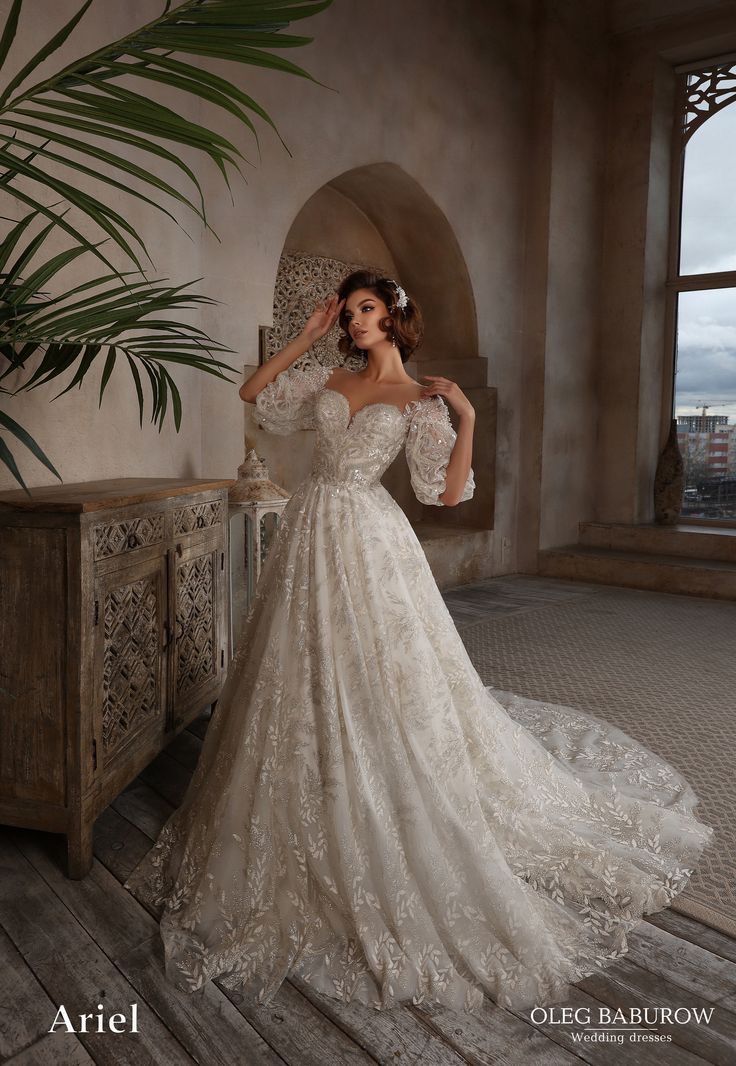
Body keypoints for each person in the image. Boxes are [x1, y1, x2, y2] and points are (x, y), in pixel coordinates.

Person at [124, 269, 715, 1015]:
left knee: (386, 676)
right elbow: (253, 396)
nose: (355, 320)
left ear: (395, 317)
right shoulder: (329, 372)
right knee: (296, 666)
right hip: (310, 531)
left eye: (366, 309)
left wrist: (466, 420)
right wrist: (306, 335)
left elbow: (443, 494)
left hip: (370, 539)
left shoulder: (419, 399)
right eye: (350, 312)